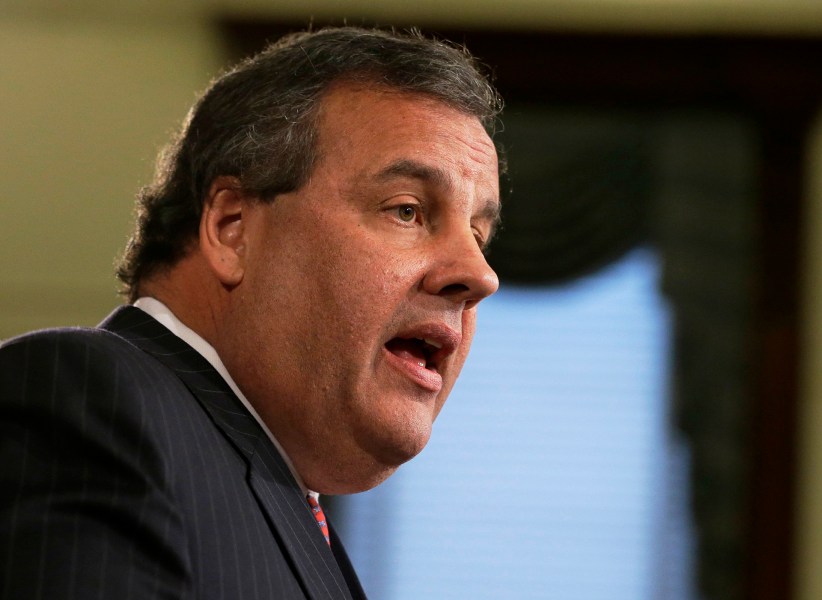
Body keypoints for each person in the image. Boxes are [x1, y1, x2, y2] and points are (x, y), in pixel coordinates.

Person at [0, 27, 502, 599]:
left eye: (479, 236)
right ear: (231, 229)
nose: (480, 276)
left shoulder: (287, 502)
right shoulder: (90, 406)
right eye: (407, 210)